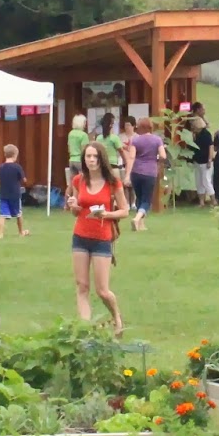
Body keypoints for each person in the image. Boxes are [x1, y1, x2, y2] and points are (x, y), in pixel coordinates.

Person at [67, 141, 129, 336]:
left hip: (102, 238)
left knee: (102, 290)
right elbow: (76, 211)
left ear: (101, 159)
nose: (91, 160)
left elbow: (125, 210)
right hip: (80, 237)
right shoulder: (78, 180)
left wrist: (107, 215)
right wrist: (73, 206)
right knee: (82, 286)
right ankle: (85, 329)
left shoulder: (112, 182)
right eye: (88, 156)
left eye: (95, 156)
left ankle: (117, 317)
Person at [0, 143, 29, 239]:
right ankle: (21, 232)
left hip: (3, 194)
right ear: (15, 155)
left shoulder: (1, 167)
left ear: (5, 154)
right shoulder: (17, 167)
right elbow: (24, 179)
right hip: (15, 195)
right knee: (19, 214)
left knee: (2, 215)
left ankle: (0, 234)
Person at [189, 116, 216, 206]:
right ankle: (201, 202)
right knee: (199, 182)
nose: (192, 127)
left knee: (206, 181)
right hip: (198, 161)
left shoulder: (206, 134)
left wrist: (209, 160)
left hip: (205, 161)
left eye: (193, 125)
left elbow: (210, 147)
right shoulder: (195, 135)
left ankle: (213, 200)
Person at [97, 113, 124, 181]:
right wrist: (125, 161)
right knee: (117, 184)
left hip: (102, 165)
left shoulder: (98, 138)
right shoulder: (114, 138)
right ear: (111, 125)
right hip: (113, 165)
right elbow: (121, 151)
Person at [66, 114, 90, 180]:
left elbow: (69, 148)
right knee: (83, 180)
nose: (85, 124)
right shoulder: (83, 135)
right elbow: (84, 150)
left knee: (73, 181)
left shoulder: (71, 133)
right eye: (84, 122)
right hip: (80, 160)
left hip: (72, 160)